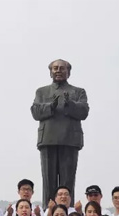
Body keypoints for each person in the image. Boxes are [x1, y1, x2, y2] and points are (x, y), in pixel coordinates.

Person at [31, 58, 90, 207]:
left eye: (62, 68)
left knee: (68, 181)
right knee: (48, 181)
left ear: (68, 72)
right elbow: (35, 112)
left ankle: (68, 212)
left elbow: (84, 112)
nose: (58, 71)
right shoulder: (42, 91)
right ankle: (48, 212)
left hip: (70, 139)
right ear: (50, 72)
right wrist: (51, 106)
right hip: (47, 139)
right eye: (55, 68)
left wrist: (69, 104)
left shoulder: (78, 92)